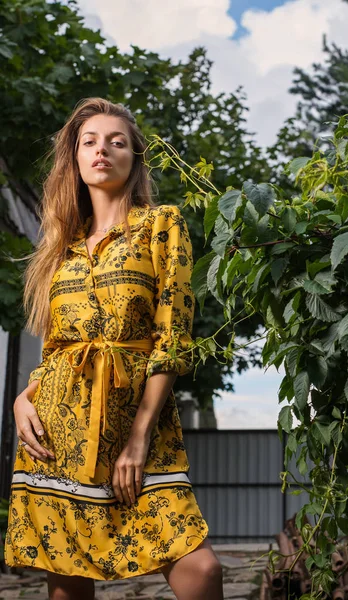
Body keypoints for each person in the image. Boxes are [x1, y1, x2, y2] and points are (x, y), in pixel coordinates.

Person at [5, 98, 223, 600]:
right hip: (56, 431)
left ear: (134, 158)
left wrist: (138, 438)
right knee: (68, 580)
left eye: (116, 141)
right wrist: (24, 397)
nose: (102, 150)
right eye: (90, 142)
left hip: (138, 423)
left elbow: (172, 340)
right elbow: (56, 346)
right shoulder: (60, 245)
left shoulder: (161, 226)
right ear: (75, 160)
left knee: (201, 569)